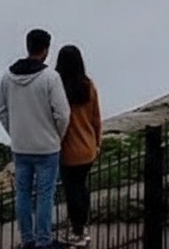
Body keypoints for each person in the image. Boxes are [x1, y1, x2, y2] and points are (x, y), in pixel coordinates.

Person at [0, 28, 71, 249]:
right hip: (47, 147)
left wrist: (15, 133)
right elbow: (62, 114)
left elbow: (2, 110)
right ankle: (43, 241)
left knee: (22, 194)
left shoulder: (8, 77)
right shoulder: (50, 78)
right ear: (46, 50)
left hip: (21, 147)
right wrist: (56, 136)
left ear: (28, 46)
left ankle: (27, 239)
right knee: (45, 195)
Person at [55, 45, 103, 248]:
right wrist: (98, 143)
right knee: (81, 187)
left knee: (72, 191)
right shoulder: (88, 85)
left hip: (68, 151)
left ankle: (78, 232)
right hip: (88, 148)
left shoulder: (58, 88)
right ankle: (82, 227)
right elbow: (96, 118)